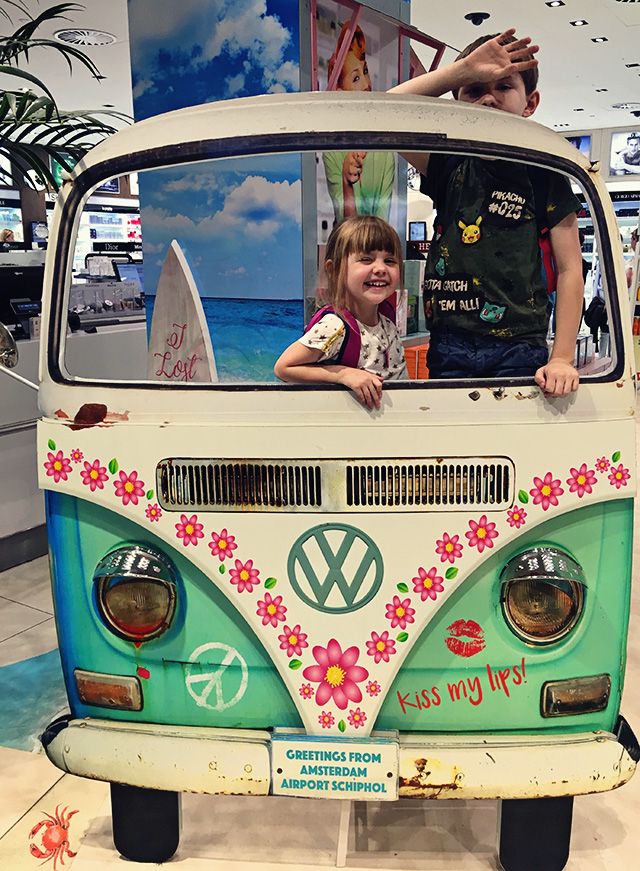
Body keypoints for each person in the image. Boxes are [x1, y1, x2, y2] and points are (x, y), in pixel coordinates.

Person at [389, 29, 584, 398]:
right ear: (458, 100)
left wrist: (562, 358)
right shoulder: (446, 164)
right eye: (475, 89)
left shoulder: (545, 172)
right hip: (449, 343)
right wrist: (459, 71)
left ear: (531, 102)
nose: (488, 99)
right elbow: (387, 110)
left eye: (504, 87)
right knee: (452, 450)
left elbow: (572, 269)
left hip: (520, 346)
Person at [274, 215, 407, 409]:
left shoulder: (386, 318)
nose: (380, 268)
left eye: (390, 260)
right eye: (366, 259)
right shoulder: (335, 326)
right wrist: (344, 374)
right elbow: (284, 367)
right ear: (335, 270)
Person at [323, 23, 395, 222]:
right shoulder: (332, 151)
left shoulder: (385, 153)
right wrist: (347, 184)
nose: (365, 85)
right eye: (355, 78)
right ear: (339, 93)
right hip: (345, 251)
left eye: (364, 72)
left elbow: (382, 224)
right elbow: (346, 226)